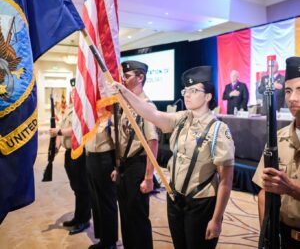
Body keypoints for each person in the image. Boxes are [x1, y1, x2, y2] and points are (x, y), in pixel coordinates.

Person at [110, 65, 235, 249]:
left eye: (194, 90)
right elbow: (152, 114)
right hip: (175, 199)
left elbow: (226, 180)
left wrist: (216, 220)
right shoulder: (182, 118)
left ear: (208, 96)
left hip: (200, 203)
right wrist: (123, 92)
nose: (187, 95)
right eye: (186, 90)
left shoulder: (219, 130)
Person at [253, 56, 300, 248]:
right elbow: (264, 191)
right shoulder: (277, 139)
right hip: (283, 238)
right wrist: (268, 233)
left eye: (299, 90)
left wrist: (289, 187)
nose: (292, 98)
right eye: (288, 91)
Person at [111, 60, 159, 249]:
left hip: (138, 166)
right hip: (125, 166)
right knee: (126, 216)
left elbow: (152, 143)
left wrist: (148, 177)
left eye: (128, 75)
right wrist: (118, 167)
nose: (123, 78)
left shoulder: (147, 106)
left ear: (140, 78)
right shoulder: (127, 104)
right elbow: (123, 139)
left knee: (138, 218)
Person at [50, 78, 91, 235]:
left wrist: (59, 132)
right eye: (72, 90)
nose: (73, 93)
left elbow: (77, 130)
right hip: (69, 153)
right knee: (76, 188)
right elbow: (62, 129)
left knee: (82, 188)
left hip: (79, 152)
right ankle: (78, 216)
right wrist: (56, 147)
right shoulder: (69, 109)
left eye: (76, 90)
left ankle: (84, 220)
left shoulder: (83, 110)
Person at [85, 118, 118, 249]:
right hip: (91, 158)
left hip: (105, 160)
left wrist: (117, 167)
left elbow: (118, 144)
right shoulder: (90, 115)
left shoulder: (111, 117)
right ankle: (103, 239)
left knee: (106, 202)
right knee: (96, 201)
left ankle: (110, 242)